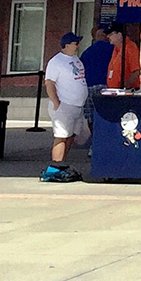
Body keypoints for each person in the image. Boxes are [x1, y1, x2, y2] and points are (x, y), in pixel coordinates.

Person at [42, 32, 89, 182]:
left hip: (77, 105)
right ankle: (55, 168)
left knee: (71, 135)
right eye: (75, 43)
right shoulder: (56, 62)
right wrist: (56, 102)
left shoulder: (75, 59)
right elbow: (49, 82)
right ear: (66, 45)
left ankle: (62, 164)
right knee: (61, 136)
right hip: (65, 105)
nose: (78, 46)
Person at [104, 20, 141, 90]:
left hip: (126, 92)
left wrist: (125, 88)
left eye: (110, 34)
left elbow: (136, 72)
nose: (108, 36)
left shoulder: (130, 47)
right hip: (113, 91)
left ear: (119, 35)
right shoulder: (116, 48)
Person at [80, 22, 114, 89]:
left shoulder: (87, 52)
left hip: (90, 86)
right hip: (108, 86)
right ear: (107, 37)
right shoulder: (114, 50)